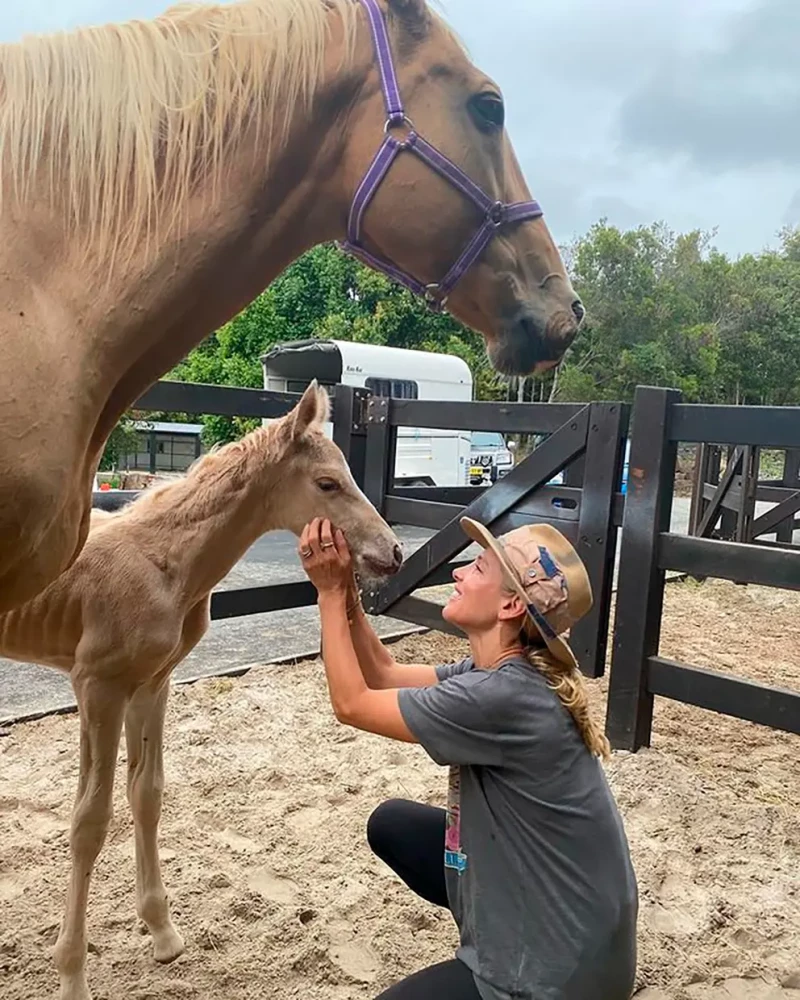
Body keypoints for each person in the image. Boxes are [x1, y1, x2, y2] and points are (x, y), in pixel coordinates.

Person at [297, 514, 638, 1000]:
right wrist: (347, 590)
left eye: (477, 569)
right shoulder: (500, 674)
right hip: (588, 939)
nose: (458, 574)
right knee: (391, 823)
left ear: (511, 605)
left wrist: (328, 595)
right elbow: (383, 673)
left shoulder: (500, 697)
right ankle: (492, 918)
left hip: (557, 976)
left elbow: (352, 703)